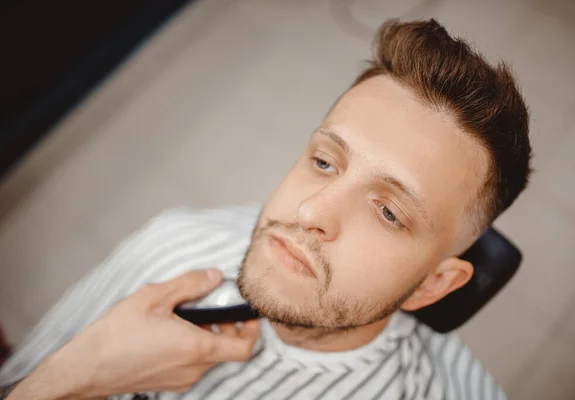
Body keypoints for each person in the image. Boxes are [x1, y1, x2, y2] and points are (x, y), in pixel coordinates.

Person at [0, 18, 531, 399]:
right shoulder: (172, 245)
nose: (310, 212)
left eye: (388, 212)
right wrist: (82, 374)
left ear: (431, 285)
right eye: (325, 161)